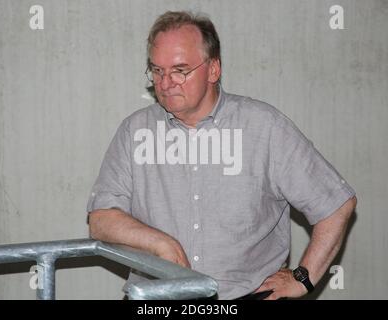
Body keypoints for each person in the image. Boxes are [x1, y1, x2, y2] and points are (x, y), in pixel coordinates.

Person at [87, 11, 357, 300]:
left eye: (180, 70)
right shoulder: (133, 131)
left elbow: (335, 203)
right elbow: (101, 220)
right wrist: (159, 243)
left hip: (245, 296)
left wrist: (303, 278)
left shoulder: (264, 127)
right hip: (156, 299)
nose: (165, 84)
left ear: (213, 69)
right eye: (157, 70)